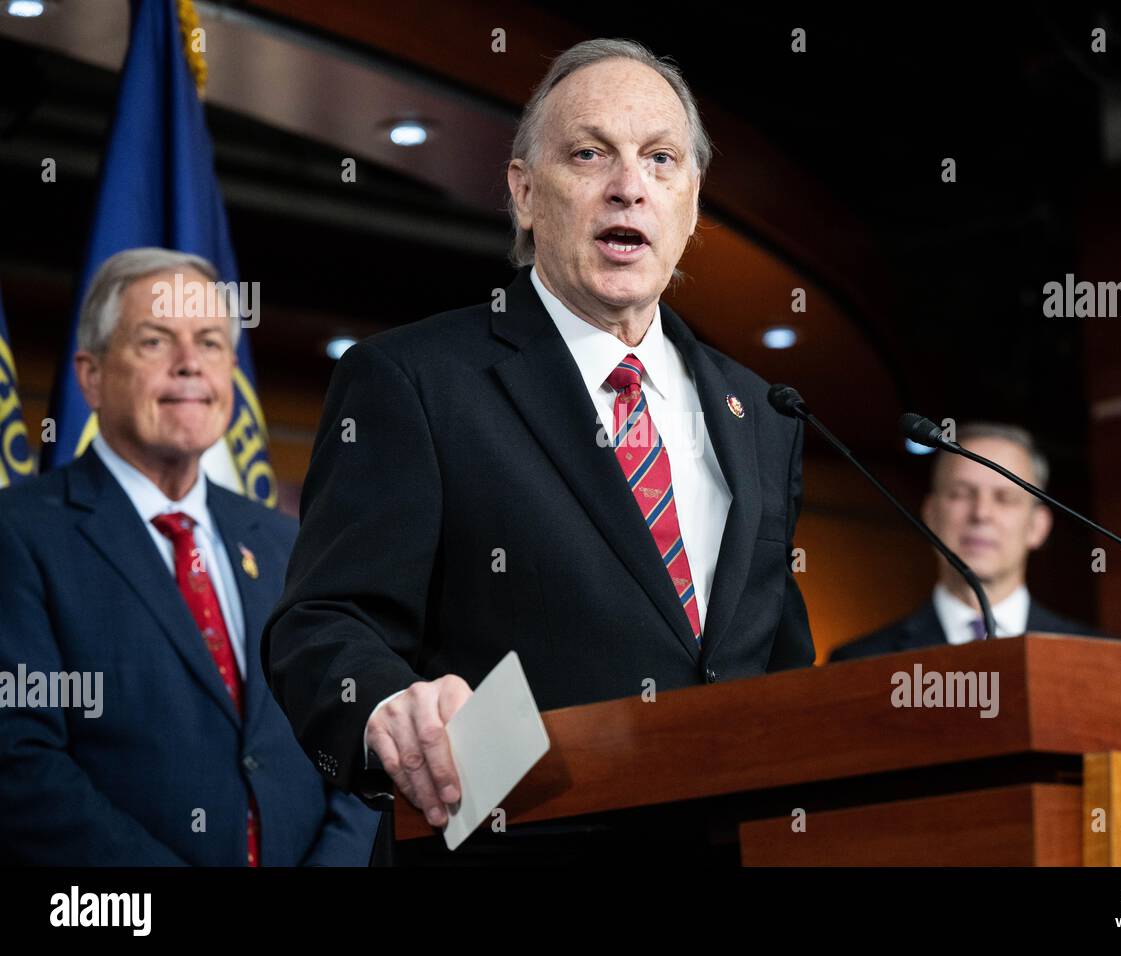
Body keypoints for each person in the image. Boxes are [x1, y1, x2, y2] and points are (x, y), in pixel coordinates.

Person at [262, 38, 815, 862]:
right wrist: (386, 709)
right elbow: (324, 621)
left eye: (660, 159)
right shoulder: (414, 381)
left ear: (691, 203)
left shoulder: (761, 413)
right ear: (524, 192)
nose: (629, 186)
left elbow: (780, 667)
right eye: (590, 154)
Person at [0, 247, 378, 865]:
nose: (188, 366)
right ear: (90, 376)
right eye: (155, 341)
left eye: (208, 342)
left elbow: (345, 734)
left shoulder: (286, 543)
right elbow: (18, 762)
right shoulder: (19, 536)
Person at [831, 422, 1098, 661]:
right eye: (960, 494)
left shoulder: (1099, 657)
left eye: (1005, 498)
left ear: (1038, 526)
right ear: (931, 515)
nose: (981, 514)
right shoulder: (859, 662)